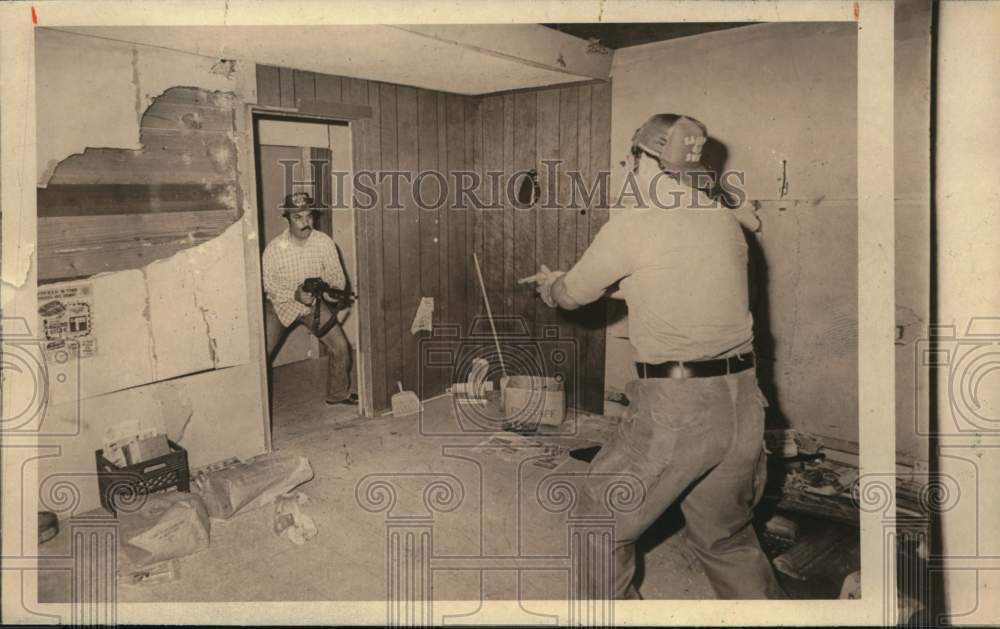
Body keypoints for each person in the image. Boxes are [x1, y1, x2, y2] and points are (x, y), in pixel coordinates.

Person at [519, 114, 783, 599]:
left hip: (677, 408)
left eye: (629, 159)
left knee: (598, 523)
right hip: (743, 403)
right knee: (725, 538)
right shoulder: (723, 218)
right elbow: (676, 284)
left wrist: (554, 286)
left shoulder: (634, 223)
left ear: (644, 160)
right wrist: (607, 287)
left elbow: (572, 296)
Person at [262, 191, 357, 406]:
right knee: (261, 355)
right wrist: (294, 294)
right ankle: (253, 405)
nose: (305, 223)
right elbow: (269, 286)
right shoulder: (274, 249)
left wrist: (329, 293)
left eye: (309, 216)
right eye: (298, 217)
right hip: (280, 304)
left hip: (313, 304)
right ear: (287, 219)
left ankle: (337, 394)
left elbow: (337, 278)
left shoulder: (324, 242)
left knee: (341, 347)